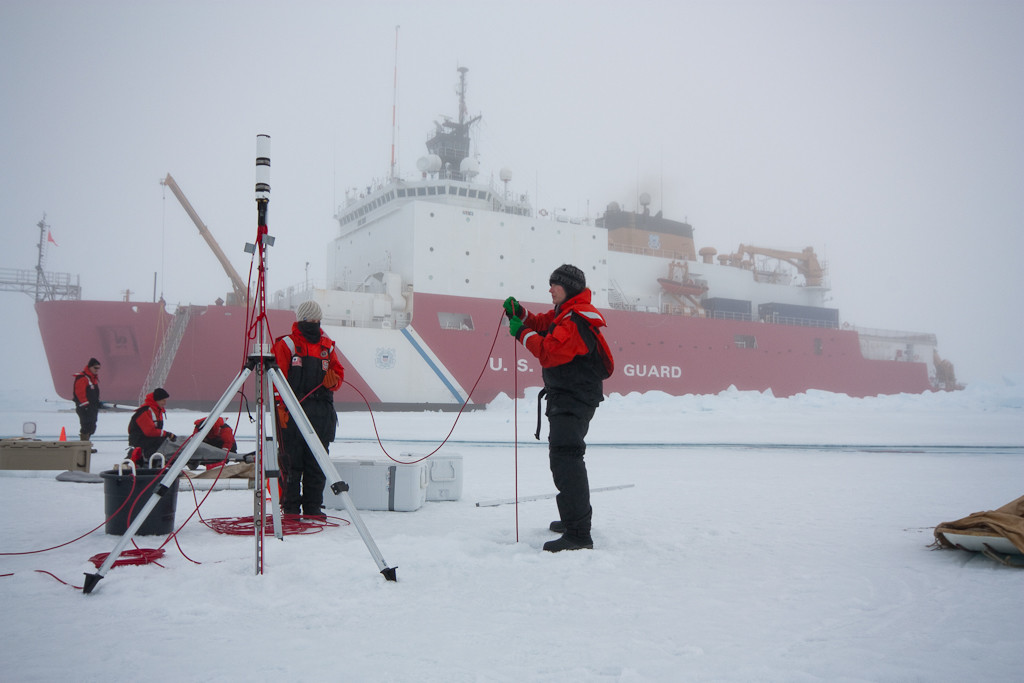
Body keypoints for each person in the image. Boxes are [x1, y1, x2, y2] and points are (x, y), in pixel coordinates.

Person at [504, 264, 614, 552]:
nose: (550, 289)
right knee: (564, 459)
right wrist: (522, 315)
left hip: (574, 398)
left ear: (570, 288)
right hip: (568, 396)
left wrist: (520, 333)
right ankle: (573, 520)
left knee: (567, 460)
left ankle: (578, 533)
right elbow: (543, 323)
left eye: (555, 285)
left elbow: (549, 352)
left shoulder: (575, 321)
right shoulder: (565, 312)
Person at [272, 300, 344, 517]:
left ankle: (313, 508)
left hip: (321, 415)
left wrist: (334, 382)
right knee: (291, 463)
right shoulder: (287, 345)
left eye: (317, 320)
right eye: (310, 320)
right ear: (301, 320)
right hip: (293, 413)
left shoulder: (327, 346)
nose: (314, 323)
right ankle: (291, 509)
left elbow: (338, 373)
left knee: (317, 464)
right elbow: (276, 380)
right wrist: (280, 409)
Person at [128, 388, 176, 463]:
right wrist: (167, 434)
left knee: (164, 440)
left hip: (148, 440)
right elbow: (150, 431)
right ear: (157, 400)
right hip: (139, 441)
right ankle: (145, 458)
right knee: (163, 440)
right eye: (163, 400)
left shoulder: (157, 411)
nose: (165, 403)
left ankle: (156, 459)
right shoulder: (145, 412)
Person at [72, 358, 103, 441]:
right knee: (86, 426)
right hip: (85, 408)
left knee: (92, 426)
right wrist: (85, 405)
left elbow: (93, 394)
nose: (97, 370)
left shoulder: (93, 378)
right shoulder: (83, 378)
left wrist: (97, 403)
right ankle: (84, 445)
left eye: (98, 368)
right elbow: (80, 393)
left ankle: (86, 444)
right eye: (95, 368)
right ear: (90, 367)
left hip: (92, 407)